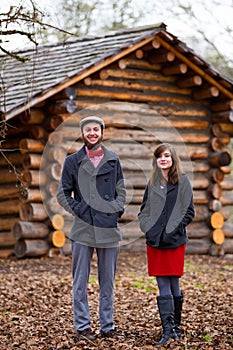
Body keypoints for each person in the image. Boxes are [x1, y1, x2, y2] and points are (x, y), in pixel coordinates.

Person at [57, 116, 126, 342]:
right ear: (83, 133)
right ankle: (83, 328)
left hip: (108, 229)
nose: (92, 133)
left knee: (107, 282)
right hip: (83, 229)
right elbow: (63, 194)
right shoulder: (72, 162)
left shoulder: (114, 160)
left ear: (102, 132)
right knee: (80, 282)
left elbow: (121, 192)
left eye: (96, 129)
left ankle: (107, 327)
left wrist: (115, 211)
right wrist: (81, 210)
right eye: (88, 130)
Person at [138, 143, 195, 346]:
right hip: (155, 242)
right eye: (160, 156)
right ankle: (168, 331)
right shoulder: (152, 182)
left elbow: (189, 212)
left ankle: (176, 328)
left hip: (175, 240)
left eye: (167, 156)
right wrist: (148, 228)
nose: (163, 159)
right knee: (162, 283)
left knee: (174, 283)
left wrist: (172, 228)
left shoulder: (183, 181)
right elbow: (143, 211)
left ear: (173, 159)